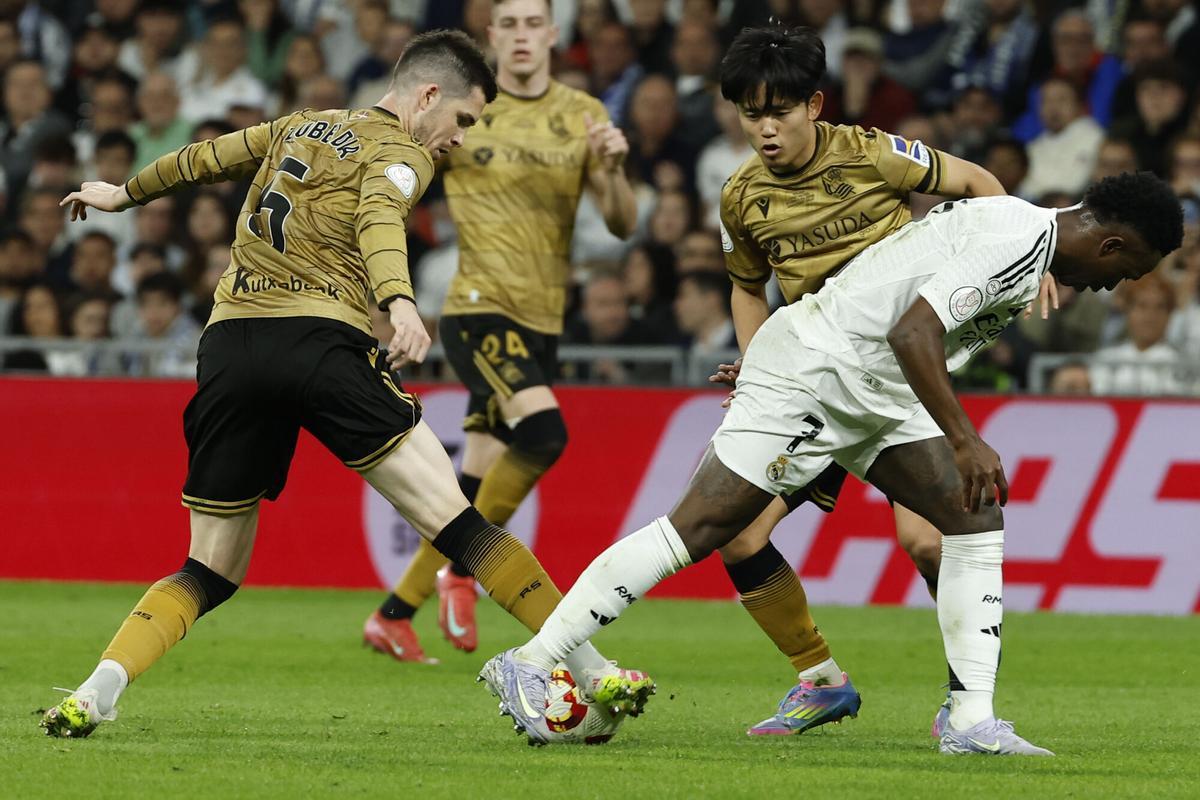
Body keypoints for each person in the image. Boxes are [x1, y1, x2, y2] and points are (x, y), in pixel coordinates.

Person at [41, 29, 649, 741]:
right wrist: (399, 301)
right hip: (320, 342)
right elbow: (379, 216)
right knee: (460, 523)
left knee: (209, 568)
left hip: (232, 346)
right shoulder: (404, 151)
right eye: (463, 119)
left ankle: (97, 690)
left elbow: (206, 157)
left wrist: (123, 193)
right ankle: (596, 669)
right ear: (428, 96)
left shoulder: (299, 125)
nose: (459, 138)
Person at [483, 171, 1183, 754]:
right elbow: (914, 332)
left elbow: (894, 287)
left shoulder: (1020, 232)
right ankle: (531, 663)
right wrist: (964, 439)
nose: (1112, 287)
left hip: (872, 385)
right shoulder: (1018, 238)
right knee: (700, 528)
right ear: (1113, 243)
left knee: (974, 516)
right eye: (1125, 271)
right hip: (821, 373)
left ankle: (971, 722)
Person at [696, 24, 1020, 738]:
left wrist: (1017, 258)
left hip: (895, 381)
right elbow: (747, 287)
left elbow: (978, 184)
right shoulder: (741, 196)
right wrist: (761, 366)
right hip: (813, 382)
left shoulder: (872, 153)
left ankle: (965, 698)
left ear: (814, 105)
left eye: (779, 111)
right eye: (751, 114)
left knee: (932, 542)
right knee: (739, 537)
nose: (765, 128)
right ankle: (820, 681)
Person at [365, 0, 637, 661]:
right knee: (544, 434)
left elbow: (623, 223)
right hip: (478, 309)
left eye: (532, 24)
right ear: (491, 35)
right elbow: (401, 167)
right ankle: (464, 572)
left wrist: (612, 168)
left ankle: (394, 614)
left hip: (543, 319)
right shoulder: (470, 107)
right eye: (508, 24)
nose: (520, 36)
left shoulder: (583, 113)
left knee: (472, 483)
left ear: (552, 34)